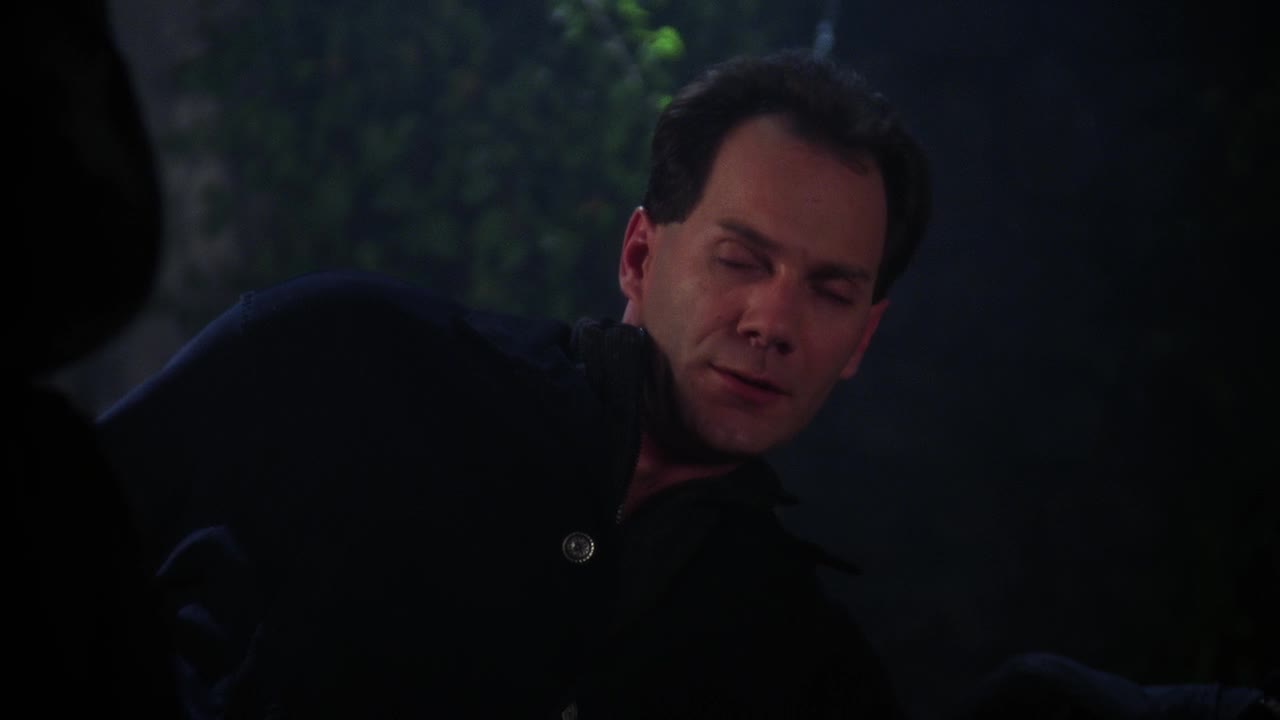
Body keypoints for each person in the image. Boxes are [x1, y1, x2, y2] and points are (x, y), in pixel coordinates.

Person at [97, 49, 927, 718]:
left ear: (863, 336)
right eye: (740, 259)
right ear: (641, 256)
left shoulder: (813, 671)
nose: (773, 322)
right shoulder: (346, 358)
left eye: (830, 292)